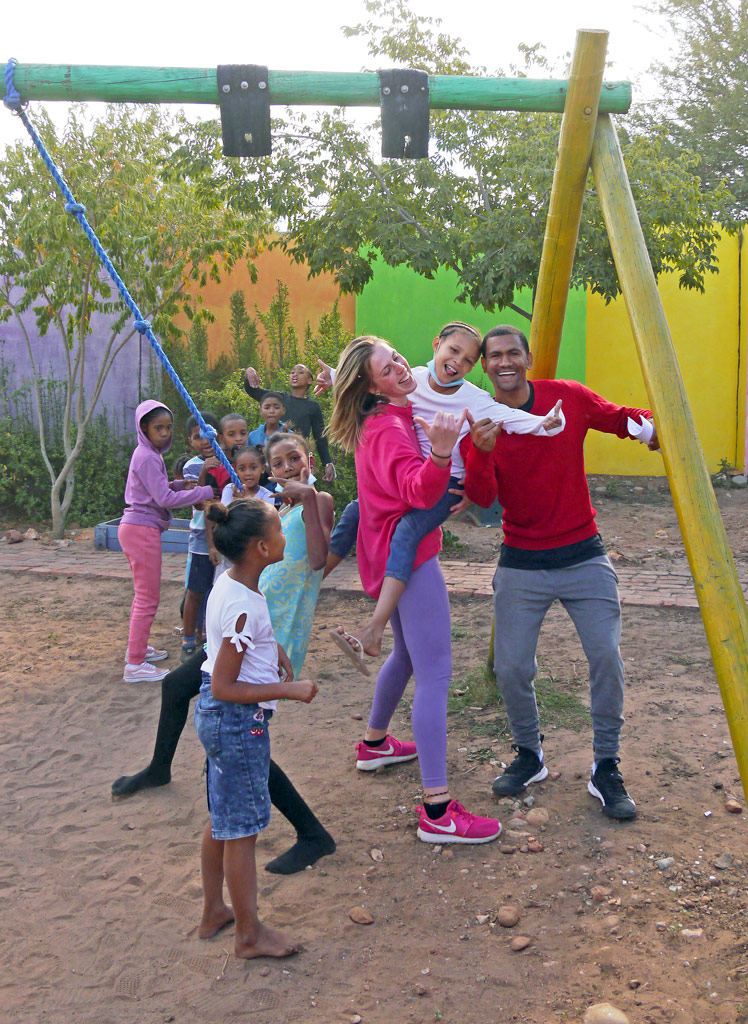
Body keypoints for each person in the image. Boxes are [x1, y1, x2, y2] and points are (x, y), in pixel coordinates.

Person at [111, 432, 336, 875]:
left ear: (308, 460)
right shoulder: (276, 509)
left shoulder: (318, 500)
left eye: (295, 458)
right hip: (243, 625)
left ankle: (313, 834)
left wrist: (309, 498)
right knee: (183, 690)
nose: (288, 466)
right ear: (270, 470)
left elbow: (316, 559)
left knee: (243, 741)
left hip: (270, 635)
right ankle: (160, 768)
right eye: (279, 461)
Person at [463, 325, 660, 820]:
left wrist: (653, 428)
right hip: (522, 560)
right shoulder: (482, 421)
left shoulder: (565, 398)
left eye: (513, 353)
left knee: (606, 659)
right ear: (484, 366)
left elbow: (620, 418)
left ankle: (606, 766)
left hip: (583, 556)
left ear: (528, 359)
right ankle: (530, 755)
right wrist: (482, 453)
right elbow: (483, 501)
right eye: (494, 356)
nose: (504, 362)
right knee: (510, 668)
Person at [327, 335, 501, 844]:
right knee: (436, 674)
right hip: (409, 561)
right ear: (369, 384)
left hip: (385, 553)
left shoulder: (390, 417)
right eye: (387, 368)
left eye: (398, 357)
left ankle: (375, 743)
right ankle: (438, 809)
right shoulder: (386, 428)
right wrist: (443, 455)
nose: (401, 367)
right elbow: (418, 490)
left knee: (406, 656)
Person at [317, 322, 563, 665]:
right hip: (419, 476)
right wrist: (336, 378)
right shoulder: (412, 378)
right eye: (453, 351)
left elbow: (509, 417)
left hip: (446, 486)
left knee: (407, 531)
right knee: (357, 510)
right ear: (437, 345)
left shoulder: (473, 399)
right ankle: (314, 581)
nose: (457, 362)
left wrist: (543, 423)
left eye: (467, 360)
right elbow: (369, 379)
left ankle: (375, 627)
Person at [195, 498, 318, 959]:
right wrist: (287, 690)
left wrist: (276, 652)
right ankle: (249, 935)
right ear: (263, 548)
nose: (288, 537)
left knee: (223, 820)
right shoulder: (243, 605)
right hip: (235, 722)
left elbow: (242, 645)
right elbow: (226, 685)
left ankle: (214, 911)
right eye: (281, 531)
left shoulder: (233, 584)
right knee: (241, 830)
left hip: (217, 720)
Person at [119, 401, 215, 684]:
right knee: (147, 598)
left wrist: (178, 485)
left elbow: (155, 491)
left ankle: (137, 650)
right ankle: (135, 664)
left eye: (168, 427)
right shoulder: (147, 456)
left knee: (144, 595)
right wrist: (204, 491)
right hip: (140, 529)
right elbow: (163, 500)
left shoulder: (147, 454)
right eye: (157, 428)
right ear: (143, 429)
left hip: (137, 527)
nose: (164, 433)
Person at [244, 363, 335, 482]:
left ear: (310, 380)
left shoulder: (313, 406)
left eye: (300, 372)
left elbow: (320, 435)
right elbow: (253, 391)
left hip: (297, 459)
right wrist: (249, 371)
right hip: (275, 460)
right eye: (292, 372)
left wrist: (327, 462)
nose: (295, 374)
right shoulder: (280, 398)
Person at [181, 412, 222, 659]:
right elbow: (197, 504)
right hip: (199, 538)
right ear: (191, 442)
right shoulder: (192, 466)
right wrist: (204, 472)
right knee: (196, 590)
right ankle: (188, 637)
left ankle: (208, 634)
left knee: (217, 590)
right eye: (198, 437)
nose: (204, 441)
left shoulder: (229, 460)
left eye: (208, 435)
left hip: (224, 537)